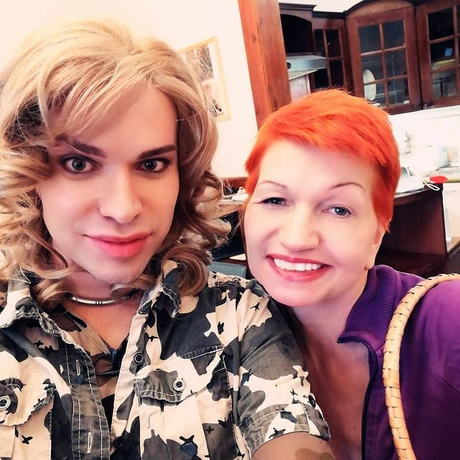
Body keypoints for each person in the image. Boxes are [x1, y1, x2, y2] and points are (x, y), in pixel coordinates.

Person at [0, 19, 334, 459]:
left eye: (152, 164)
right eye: (79, 164)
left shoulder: (238, 314)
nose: (123, 209)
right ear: (28, 169)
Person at [243, 89, 460, 460]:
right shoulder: (235, 333)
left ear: (377, 233)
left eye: (338, 209)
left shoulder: (445, 320)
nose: (296, 239)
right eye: (275, 200)